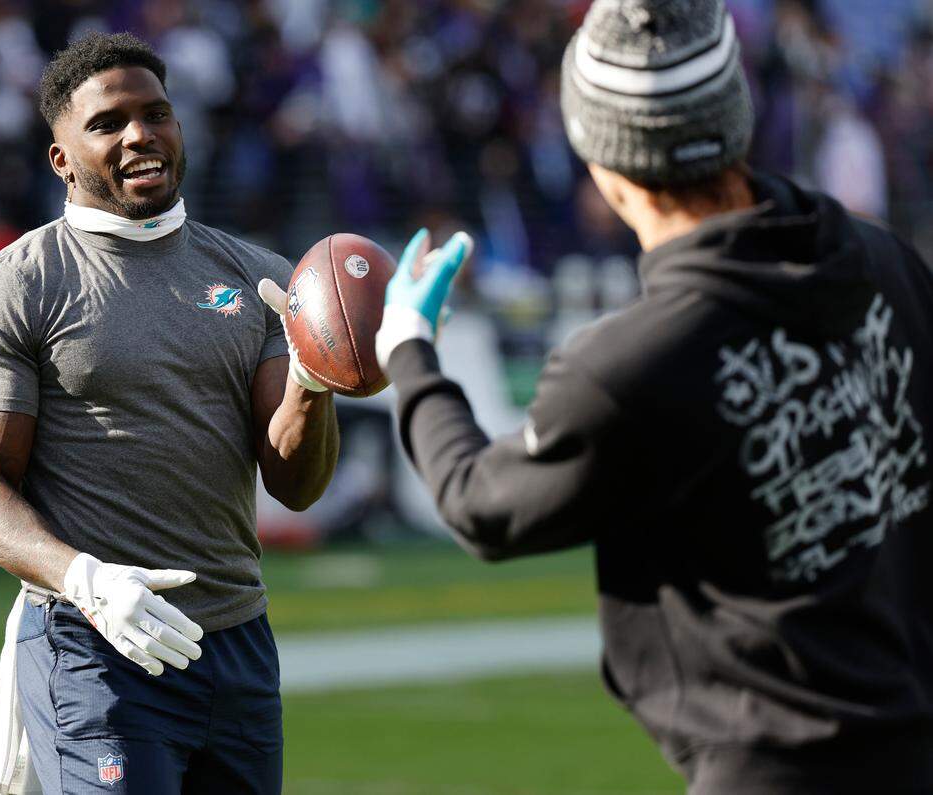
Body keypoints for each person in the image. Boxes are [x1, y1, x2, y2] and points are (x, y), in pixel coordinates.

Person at [374, 0, 933, 792]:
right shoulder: (883, 262)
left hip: (770, 768)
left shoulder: (631, 365)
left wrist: (409, 353)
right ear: (738, 117)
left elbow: (479, 503)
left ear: (602, 157)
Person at [0, 32, 338, 795]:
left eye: (157, 113)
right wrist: (85, 579)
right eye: (107, 123)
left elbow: (297, 485)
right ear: (61, 158)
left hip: (238, 644)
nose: (139, 135)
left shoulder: (256, 276)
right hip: (94, 646)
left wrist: (312, 384)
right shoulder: (16, 285)